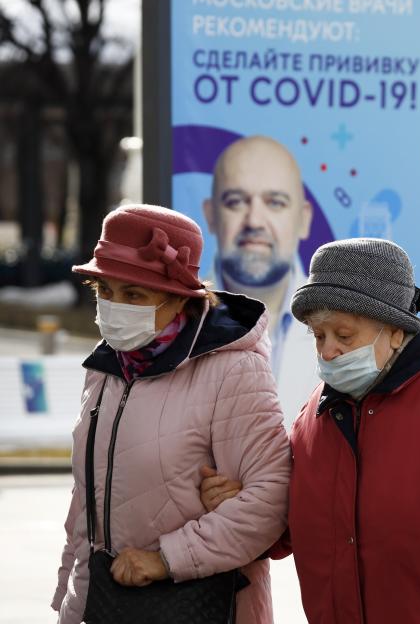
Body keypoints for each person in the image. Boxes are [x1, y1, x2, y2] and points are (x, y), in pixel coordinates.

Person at [201, 238, 420, 624]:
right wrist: (244, 502)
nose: (328, 351)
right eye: (319, 336)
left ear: (396, 330)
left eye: (344, 335)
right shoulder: (313, 417)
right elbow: (291, 527)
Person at [52, 204, 291, 624]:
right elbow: (87, 504)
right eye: (104, 291)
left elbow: (271, 497)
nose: (113, 307)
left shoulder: (233, 368)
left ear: (179, 298)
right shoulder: (107, 368)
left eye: (133, 295)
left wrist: (165, 559)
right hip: (105, 604)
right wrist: (71, 603)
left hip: (203, 606)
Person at [203, 135, 317, 421]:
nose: (254, 220)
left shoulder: (347, 331)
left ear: (303, 220)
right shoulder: (174, 324)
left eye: (275, 202)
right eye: (236, 202)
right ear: (211, 215)